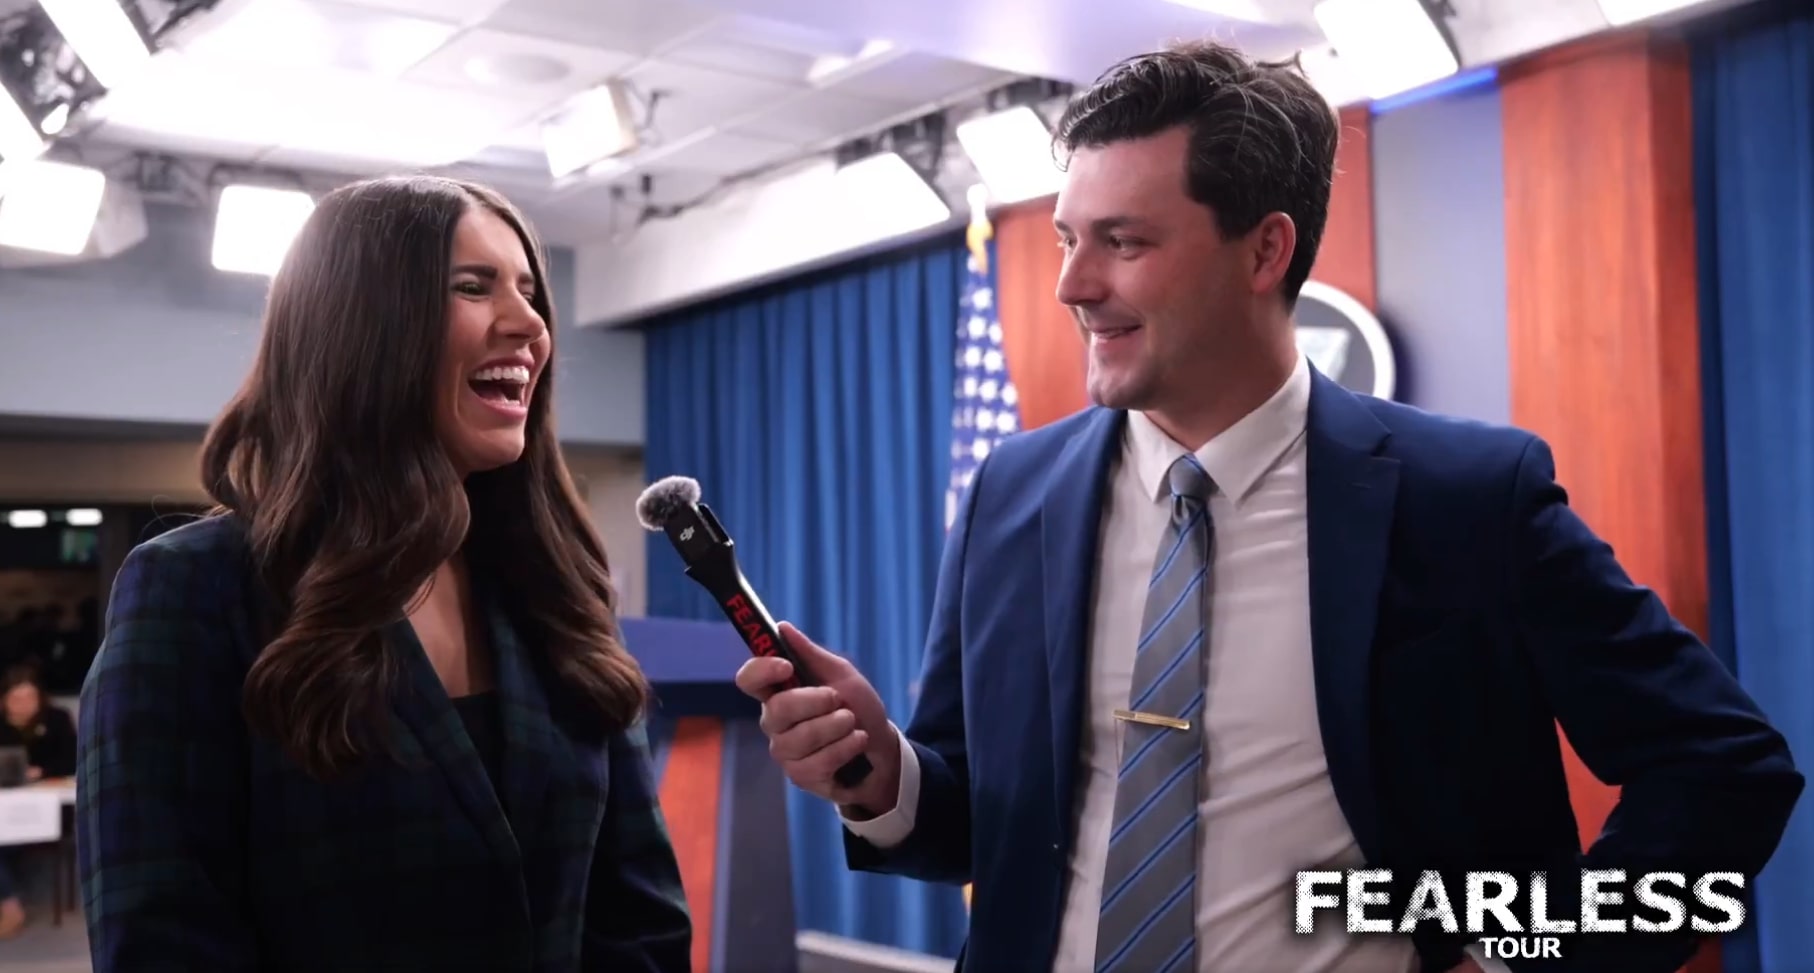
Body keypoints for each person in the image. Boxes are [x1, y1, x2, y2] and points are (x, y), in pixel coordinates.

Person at [736, 40, 1802, 973]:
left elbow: (1723, 767)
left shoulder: (1468, 499)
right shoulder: (1012, 495)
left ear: (1265, 250)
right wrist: (882, 773)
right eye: (1067, 238)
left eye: (1123, 242)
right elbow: (982, 822)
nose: (1072, 284)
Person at [77, 175, 691, 972]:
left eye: (529, 291)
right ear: (362, 325)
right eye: (473, 286)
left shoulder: (558, 590)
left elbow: (639, 916)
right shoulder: (194, 589)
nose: (531, 324)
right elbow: (161, 940)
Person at [0, 663, 76, 938]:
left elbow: (71, 760)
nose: (23, 705)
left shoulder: (57, 719)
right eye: (16, 698)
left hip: (48, 809)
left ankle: (9, 906)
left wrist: (41, 771)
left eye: (29, 697)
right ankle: (10, 903)